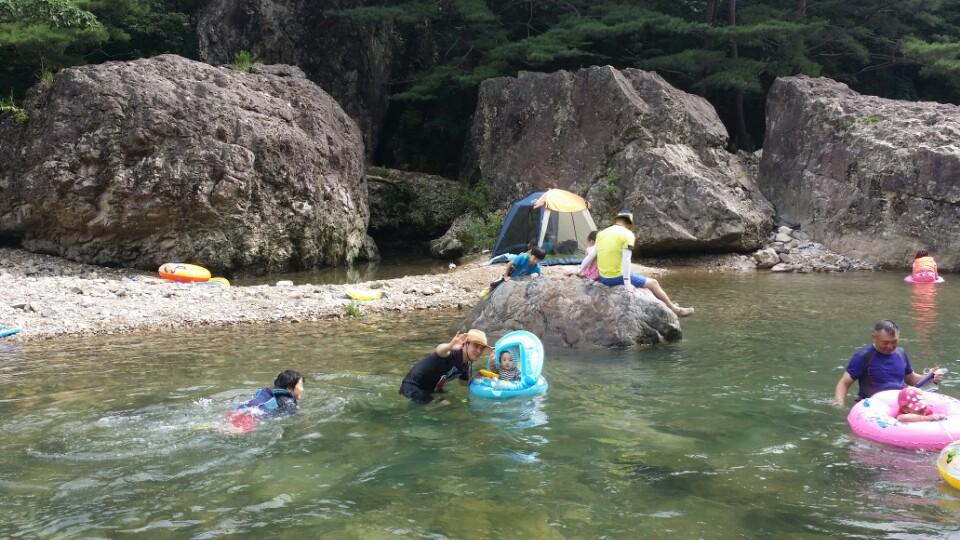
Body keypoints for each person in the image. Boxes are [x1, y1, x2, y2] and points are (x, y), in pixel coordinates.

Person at [581, 210, 694, 317]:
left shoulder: (602, 233)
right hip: (615, 277)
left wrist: (580, 270)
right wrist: (627, 283)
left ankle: (668, 303)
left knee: (640, 278)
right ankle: (675, 310)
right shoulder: (628, 234)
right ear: (629, 223)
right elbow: (626, 260)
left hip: (603, 277)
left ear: (617, 220)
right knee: (653, 283)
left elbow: (591, 255)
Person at [833, 320, 945, 406]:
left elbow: (910, 378)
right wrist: (839, 403)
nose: (890, 346)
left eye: (894, 342)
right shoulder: (864, 356)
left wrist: (929, 377)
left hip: (899, 403)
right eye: (885, 343)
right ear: (874, 337)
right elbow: (844, 382)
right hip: (873, 404)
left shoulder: (901, 353)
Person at [400, 329, 492, 404]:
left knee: (454, 403)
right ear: (465, 344)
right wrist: (450, 346)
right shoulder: (452, 353)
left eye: (481, 348)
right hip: (412, 387)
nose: (479, 351)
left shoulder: (465, 365)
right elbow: (439, 350)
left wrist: (479, 375)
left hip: (430, 390)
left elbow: (464, 383)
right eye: (475, 346)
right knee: (445, 405)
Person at [233, 369, 304, 416]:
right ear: (289, 388)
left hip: (237, 410)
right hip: (250, 417)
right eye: (300, 385)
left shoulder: (266, 391)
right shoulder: (288, 401)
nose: (302, 389)